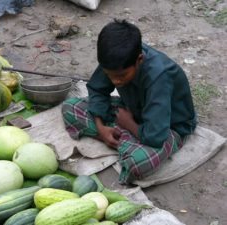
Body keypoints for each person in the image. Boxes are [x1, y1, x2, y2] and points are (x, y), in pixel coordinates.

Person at [61, 19, 197, 183]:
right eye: (109, 75)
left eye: (121, 76)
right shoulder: (115, 60)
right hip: (133, 110)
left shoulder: (159, 76)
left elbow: (156, 136)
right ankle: (123, 140)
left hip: (168, 126)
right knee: (70, 107)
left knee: (137, 163)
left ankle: (127, 139)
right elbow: (97, 89)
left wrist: (128, 123)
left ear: (139, 60)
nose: (115, 81)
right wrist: (101, 128)